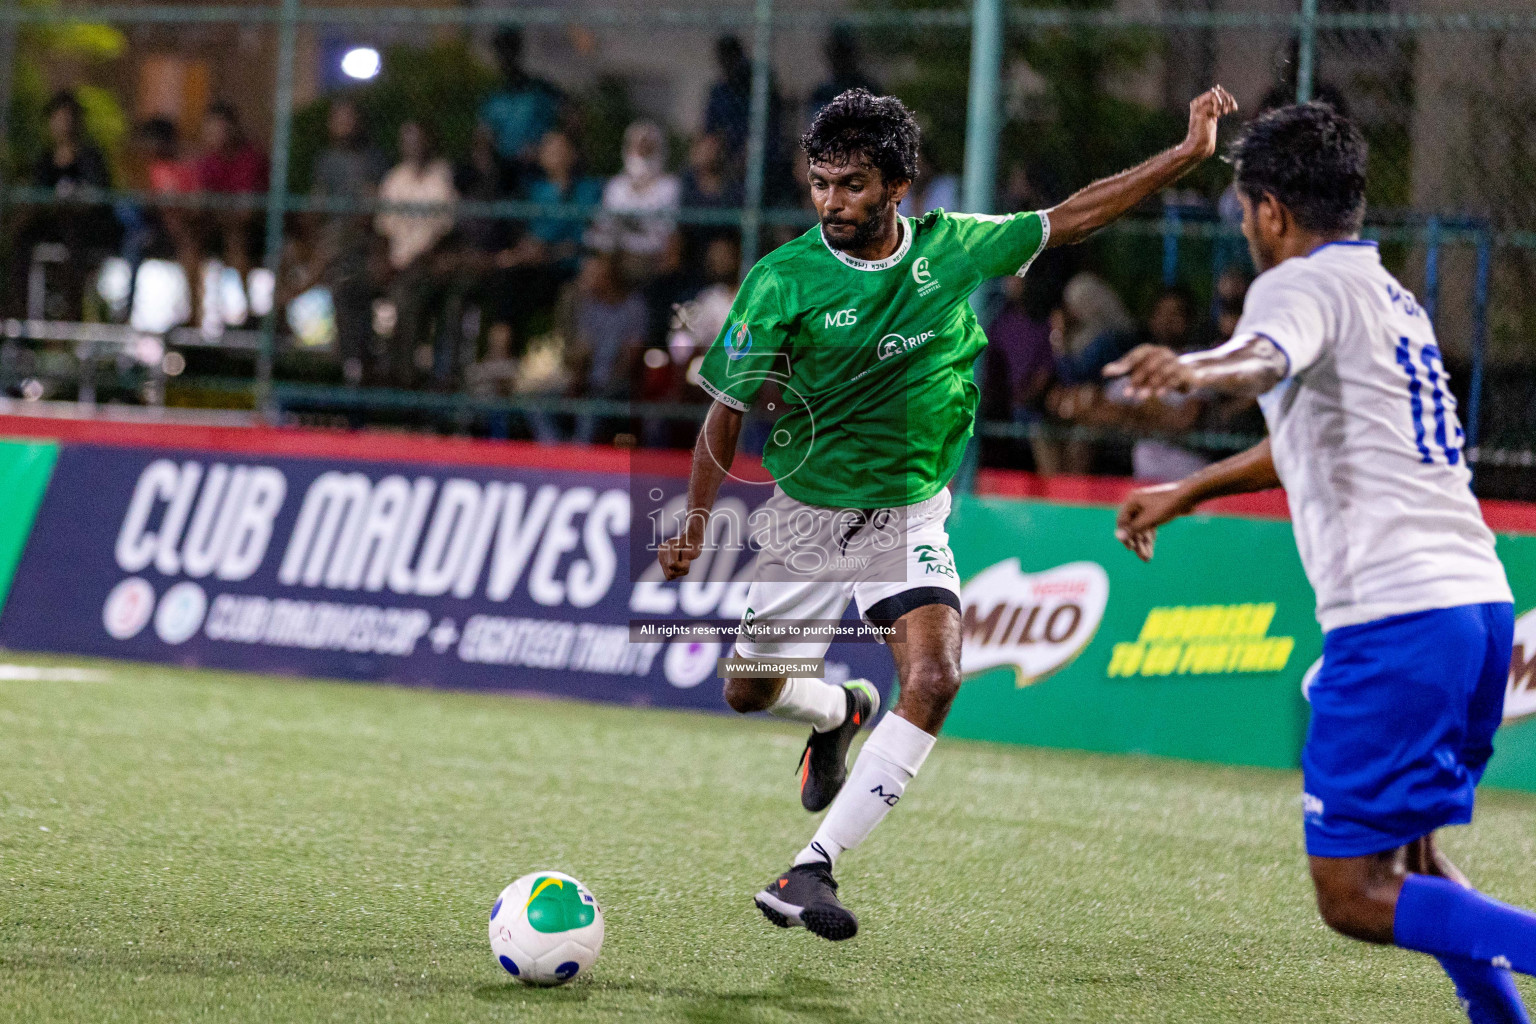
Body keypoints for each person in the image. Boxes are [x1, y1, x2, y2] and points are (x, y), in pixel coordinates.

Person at [658, 84, 1238, 940]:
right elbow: (727, 408)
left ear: (899, 186)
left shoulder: (954, 250)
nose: (832, 202)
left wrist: (1185, 156)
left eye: (852, 185)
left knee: (935, 679)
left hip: (909, 518)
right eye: (821, 183)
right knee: (750, 691)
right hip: (810, 518)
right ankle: (838, 712)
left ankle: (811, 869)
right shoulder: (782, 281)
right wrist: (697, 518)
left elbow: (1073, 216)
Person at [1109, 103, 1536, 1024]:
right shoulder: (1384, 293)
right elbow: (1307, 434)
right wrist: (1189, 491)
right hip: (1476, 608)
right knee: (1412, 861)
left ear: (1269, 211)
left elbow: (1259, 358)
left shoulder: (1293, 288)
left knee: (1350, 893)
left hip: (1398, 619)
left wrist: (1196, 369)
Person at [375, 120, 458, 386]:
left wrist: (414, 261)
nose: (413, 145)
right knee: (347, 285)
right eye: (407, 139)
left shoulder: (442, 181)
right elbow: (383, 229)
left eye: (418, 138)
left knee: (404, 297)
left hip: (425, 264)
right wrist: (386, 260)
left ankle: (403, 380)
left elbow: (445, 233)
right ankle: (357, 371)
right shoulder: (394, 179)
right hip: (394, 262)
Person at [310, 100, 387, 385]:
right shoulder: (326, 160)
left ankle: (354, 362)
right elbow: (316, 205)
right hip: (333, 237)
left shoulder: (374, 160)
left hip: (360, 239)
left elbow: (372, 207)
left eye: (349, 118)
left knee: (348, 282)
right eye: (338, 118)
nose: (343, 125)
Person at [589, 121, 680, 284]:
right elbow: (603, 227)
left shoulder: (669, 186)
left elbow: (668, 234)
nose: (642, 152)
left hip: (651, 257)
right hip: (617, 254)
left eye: (648, 147)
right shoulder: (616, 186)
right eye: (637, 146)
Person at [194, 102, 268, 297]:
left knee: (235, 239)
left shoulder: (250, 158)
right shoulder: (209, 161)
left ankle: (250, 310)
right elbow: (202, 200)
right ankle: (194, 314)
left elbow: (248, 211)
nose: (212, 134)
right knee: (189, 241)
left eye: (217, 128)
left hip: (256, 230)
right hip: (220, 226)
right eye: (208, 128)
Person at [479, 28, 563, 186]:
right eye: (501, 53)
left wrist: (541, 149)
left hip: (537, 169)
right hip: (504, 171)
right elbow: (485, 135)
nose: (505, 58)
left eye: (510, 51)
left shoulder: (540, 92)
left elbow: (565, 119)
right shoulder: (494, 98)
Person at [807, 25, 879, 120]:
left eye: (846, 53)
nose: (842, 60)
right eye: (837, 53)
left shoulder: (870, 89)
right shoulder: (823, 93)